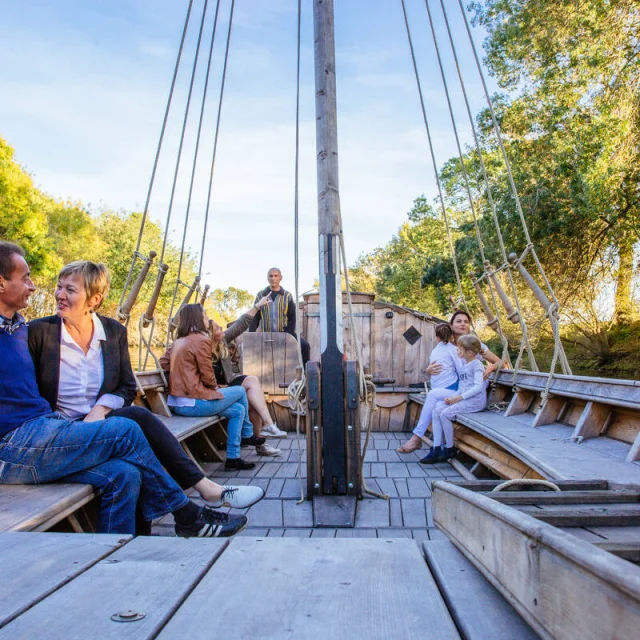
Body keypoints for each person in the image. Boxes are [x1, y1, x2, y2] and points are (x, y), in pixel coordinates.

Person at [0, 242, 246, 537]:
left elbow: (127, 385)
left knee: (126, 473)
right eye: (26, 278)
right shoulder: (39, 332)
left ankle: (112, 557)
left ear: (95, 299)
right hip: (20, 444)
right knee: (126, 430)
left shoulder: (16, 328)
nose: (36, 287)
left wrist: (100, 408)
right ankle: (187, 513)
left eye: (69, 289)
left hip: (49, 432)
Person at [160, 303, 262, 471]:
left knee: (237, 410)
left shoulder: (178, 341)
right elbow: (208, 377)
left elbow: (163, 363)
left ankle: (233, 458)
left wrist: (182, 371)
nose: (207, 318)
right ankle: (247, 434)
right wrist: (215, 387)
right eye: (205, 315)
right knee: (240, 391)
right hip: (193, 403)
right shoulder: (201, 340)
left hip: (177, 403)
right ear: (198, 318)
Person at [211, 301, 288, 445]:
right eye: (217, 328)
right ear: (210, 334)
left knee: (255, 388)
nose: (221, 328)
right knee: (254, 397)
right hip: (216, 390)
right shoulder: (203, 348)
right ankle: (265, 434)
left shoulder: (223, 340)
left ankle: (268, 427)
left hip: (228, 383)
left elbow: (241, 324)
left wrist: (257, 306)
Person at [421, 334, 488, 464]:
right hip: (463, 398)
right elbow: (463, 387)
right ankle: (436, 447)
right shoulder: (464, 366)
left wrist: (458, 398)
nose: (457, 351)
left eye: (459, 349)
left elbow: (478, 387)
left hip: (475, 401)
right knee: (437, 410)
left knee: (445, 414)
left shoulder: (477, 365)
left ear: (469, 352)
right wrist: (452, 397)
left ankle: (449, 448)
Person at [397, 323, 459, 454]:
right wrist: (428, 370)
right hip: (440, 390)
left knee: (432, 395)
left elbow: (462, 371)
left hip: (453, 390)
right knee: (436, 409)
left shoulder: (453, 350)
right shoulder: (437, 350)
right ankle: (437, 448)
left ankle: (417, 437)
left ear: (436, 337)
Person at [249, 267, 310, 365]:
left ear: (280, 278)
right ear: (267, 278)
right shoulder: (261, 295)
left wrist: (286, 335)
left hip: (285, 333)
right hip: (266, 334)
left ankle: (304, 375)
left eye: (276, 276)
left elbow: (292, 318)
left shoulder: (287, 296)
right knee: (251, 349)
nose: (273, 278)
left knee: (305, 346)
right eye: (271, 276)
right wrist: (251, 335)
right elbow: (255, 317)